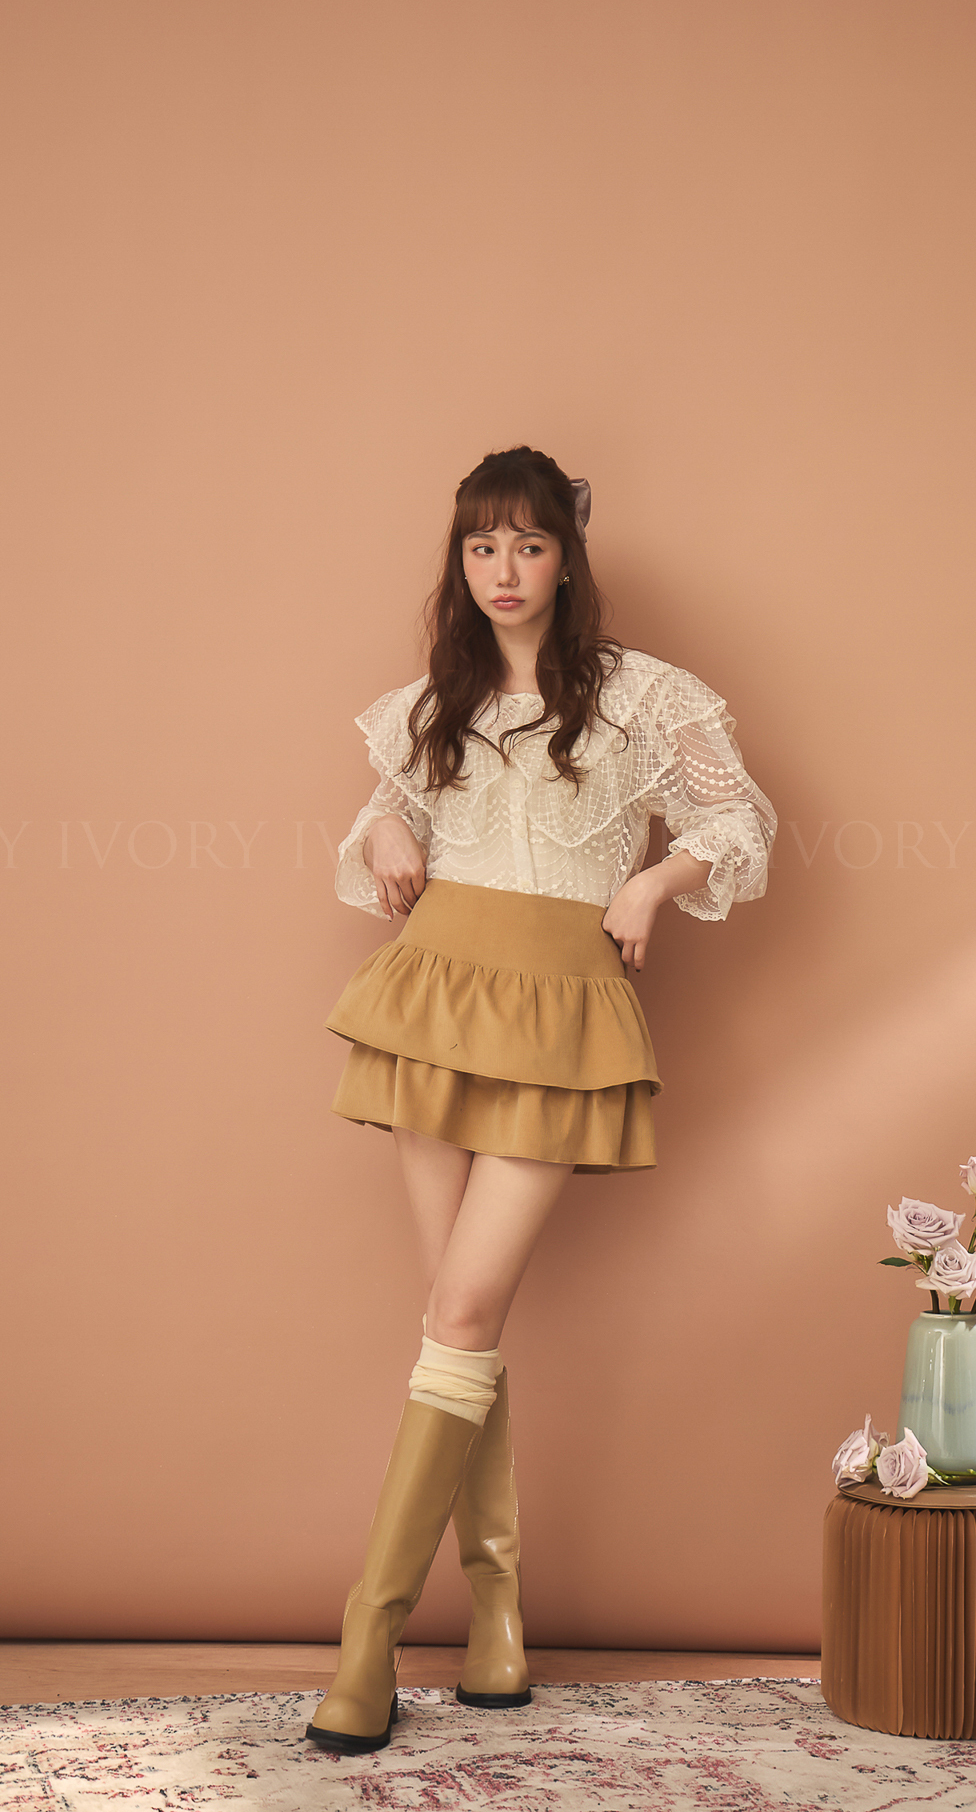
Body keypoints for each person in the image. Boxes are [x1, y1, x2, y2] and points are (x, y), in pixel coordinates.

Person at [304, 445, 777, 1755]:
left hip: (563, 1013)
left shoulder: (644, 697)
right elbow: (381, 823)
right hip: (432, 1001)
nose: (502, 571)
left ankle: (368, 1638)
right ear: (459, 561)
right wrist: (383, 831)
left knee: (462, 1315)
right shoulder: (434, 703)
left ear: (569, 556)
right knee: (458, 1328)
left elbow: (741, 828)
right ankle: (498, 1613)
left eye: (527, 545)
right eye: (480, 547)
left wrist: (652, 883)